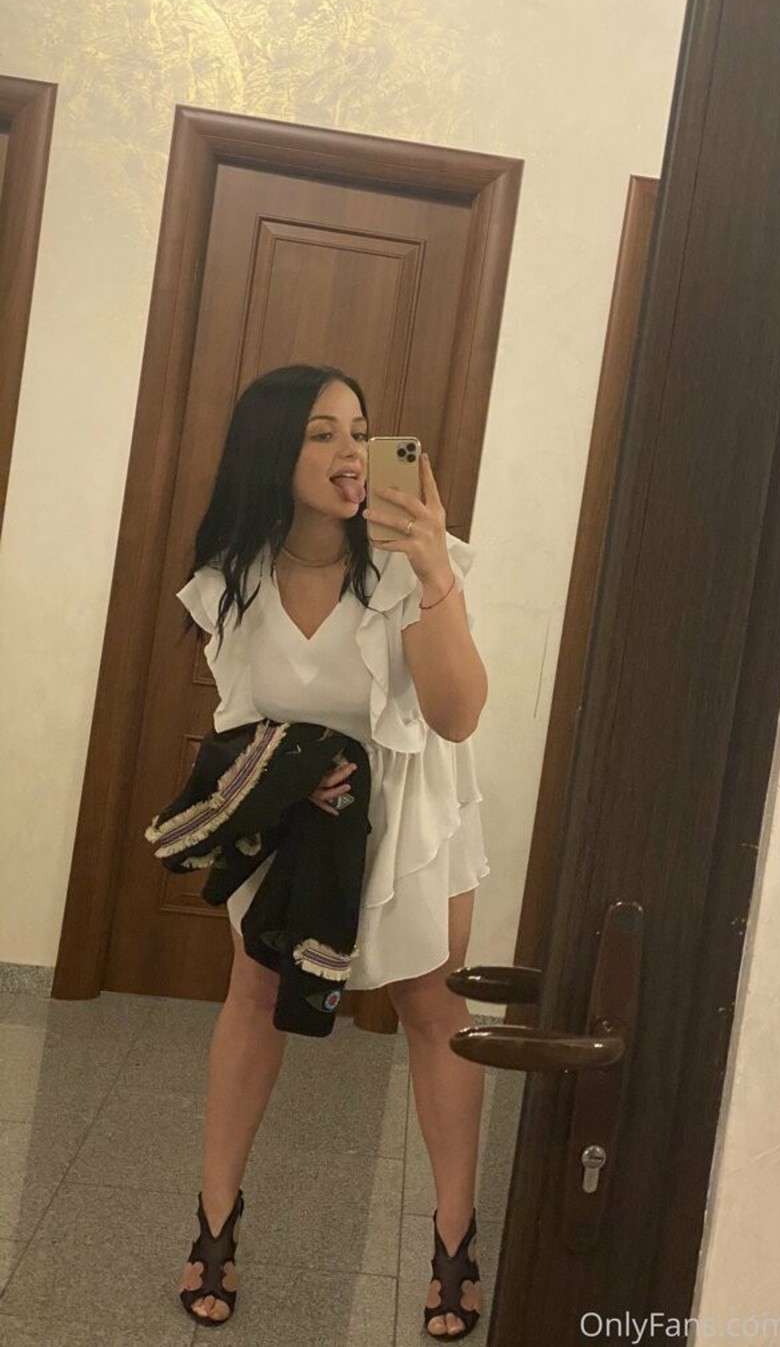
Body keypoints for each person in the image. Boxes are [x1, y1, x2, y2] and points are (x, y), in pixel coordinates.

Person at [173, 363, 490, 1338]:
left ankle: (453, 1236)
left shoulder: (406, 567)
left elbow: (456, 713)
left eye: (360, 430)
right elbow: (236, 722)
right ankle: (215, 1222)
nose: (352, 452)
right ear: (273, 450)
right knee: (254, 993)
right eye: (323, 433)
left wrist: (432, 571)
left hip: (414, 815)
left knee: (432, 1007)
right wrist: (295, 773)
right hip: (293, 819)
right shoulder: (233, 579)